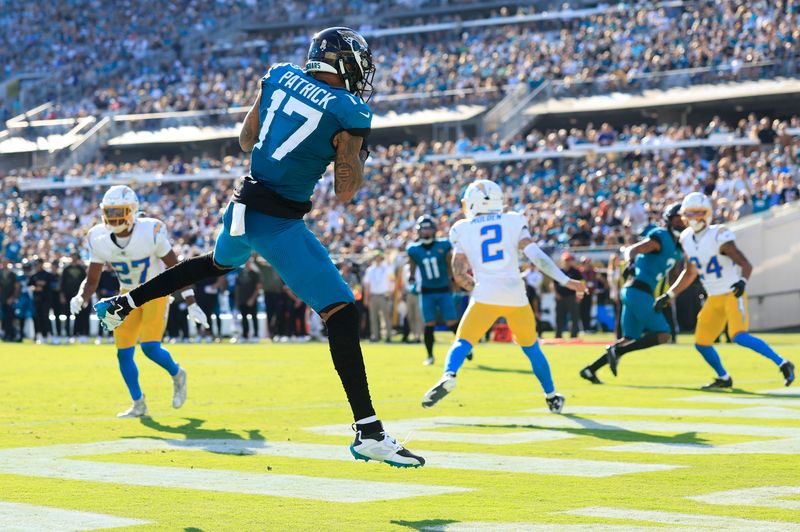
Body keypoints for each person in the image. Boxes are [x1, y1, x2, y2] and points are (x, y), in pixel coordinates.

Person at [94, 27, 424, 467]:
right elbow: (345, 190)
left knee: (216, 263)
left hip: (241, 205)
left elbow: (246, 140)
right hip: (276, 220)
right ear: (344, 64)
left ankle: (123, 303)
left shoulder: (279, 74)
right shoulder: (350, 109)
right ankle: (369, 432)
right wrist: (353, 151)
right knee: (342, 311)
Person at [421, 180, 587, 412]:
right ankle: (551, 396)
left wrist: (477, 287)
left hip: (485, 295)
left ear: (472, 203)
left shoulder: (462, 228)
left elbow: (458, 273)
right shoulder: (513, 220)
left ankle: (449, 374)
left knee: (462, 342)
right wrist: (565, 280)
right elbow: (535, 255)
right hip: (515, 295)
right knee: (532, 348)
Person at [72, 185, 209, 417]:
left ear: (132, 211)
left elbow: (177, 269)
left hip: (156, 292)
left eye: (119, 211)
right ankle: (138, 403)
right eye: (109, 211)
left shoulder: (150, 231)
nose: (113, 217)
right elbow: (92, 279)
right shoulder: (98, 237)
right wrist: (81, 296)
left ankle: (177, 374)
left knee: (149, 348)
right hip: (127, 294)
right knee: (123, 353)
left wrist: (191, 301)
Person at [654, 192, 795, 388]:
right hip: (713, 297)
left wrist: (742, 282)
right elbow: (689, 272)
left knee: (738, 335)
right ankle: (724, 377)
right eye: (690, 213)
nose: (694, 218)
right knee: (701, 342)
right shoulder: (686, 238)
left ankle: (783, 363)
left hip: (731, 293)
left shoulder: (718, 235)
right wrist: (669, 294)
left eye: (698, 213)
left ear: (707, 214)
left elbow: (745, 264)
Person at [580, 203, 686, 384]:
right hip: (638, 290)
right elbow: (632, 249)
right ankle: (617, 351)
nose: (683, 222)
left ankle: (590, 370)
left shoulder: (678, 248)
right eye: (679, 219)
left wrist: (669, 293)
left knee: (629, 339)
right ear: (670, 220)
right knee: (664, 334)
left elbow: (674, 274)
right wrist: (630, 262)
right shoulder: (662, 236)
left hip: (636, 292)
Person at [407, 215, 463, 365]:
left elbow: (450, 267)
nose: (426, 231)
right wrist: (411, 279)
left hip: (443, 290)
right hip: (426, 291)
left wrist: (455, 286)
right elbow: (412, 267)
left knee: (452, 322)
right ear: (419, 231)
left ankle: (464, 349)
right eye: (423, 229)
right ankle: (430, 355)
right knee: (429, 323)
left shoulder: (443, 245)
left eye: (429, 228)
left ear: (434, 230)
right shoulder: (414, 249)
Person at [363, 251, 394, 343]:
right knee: (373, 317)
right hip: (373, 296)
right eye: (376, 257)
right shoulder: (370, 270)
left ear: (381, 258)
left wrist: (390, 293)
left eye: (379, 257)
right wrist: (366, 298)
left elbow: (392, 281)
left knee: (386, 317)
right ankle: (375, 336)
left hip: (384, 295)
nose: (377, 259)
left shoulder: (387, 268)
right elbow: (367, 285)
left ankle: (389, 336)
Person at [235, 258, 262, 343]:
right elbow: (237, 288)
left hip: (252, 300)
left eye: (249, 262)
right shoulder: (240, 274)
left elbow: (258, 288)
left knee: (254, 318)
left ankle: (256, 335)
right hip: (242, 300)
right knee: (244, 319)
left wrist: (252, 299)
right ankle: (245, 335)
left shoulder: (255, 274)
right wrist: (237, 300)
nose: (247, 264)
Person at [555, 252, 582, 338]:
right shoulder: (559, 271)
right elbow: (553, 284)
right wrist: (556, 293)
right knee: (559, 317)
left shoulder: (576, 272)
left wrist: (579, 295)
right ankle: (558, 335)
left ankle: (574, 334)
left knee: (574, 316)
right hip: (560, 297)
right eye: (566, 260)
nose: (568, 262)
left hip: (571, 296)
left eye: (569, 260)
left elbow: (581, 284)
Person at [29, 258, 55, 344]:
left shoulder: (47, 275)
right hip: (36, 299)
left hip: (46, 299)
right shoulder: (33, 275)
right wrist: (35, 288)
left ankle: (47, 334)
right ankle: (38, 335)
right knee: (37, 317)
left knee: (45, 317)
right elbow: (29, 286)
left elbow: (51, 286)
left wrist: (43, 285)